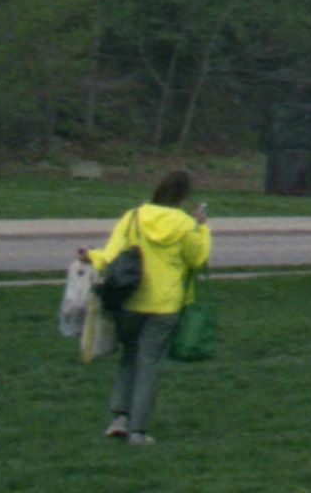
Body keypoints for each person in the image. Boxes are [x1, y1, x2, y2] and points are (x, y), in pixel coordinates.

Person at [89, 169, 212, 444]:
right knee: (149, 364)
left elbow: (111, 254)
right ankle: (139, 430)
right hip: (165, 304)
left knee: (129, 357)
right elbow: (196, 259)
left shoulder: (133, 217)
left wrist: (92, 257)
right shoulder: (185, 224)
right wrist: (201, 227)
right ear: (183, 196)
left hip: (130, 300)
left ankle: (119, 416)